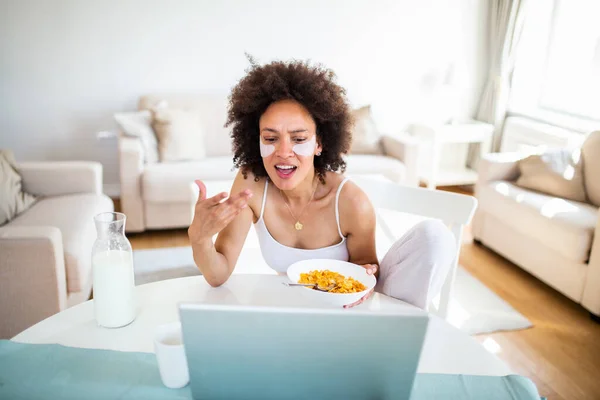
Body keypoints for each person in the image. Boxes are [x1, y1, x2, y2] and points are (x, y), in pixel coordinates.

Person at [188, 59, 456, 309]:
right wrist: (199, 238)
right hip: (290, 309)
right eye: (270, 139)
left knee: (435, 236)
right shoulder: (252, 184)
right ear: (255, 140)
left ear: (319, 143)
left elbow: (365, 272)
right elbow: (217, 275)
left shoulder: (352, 203)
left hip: (343, 313)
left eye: (298, 138)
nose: (283, 151)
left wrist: (367, 276)